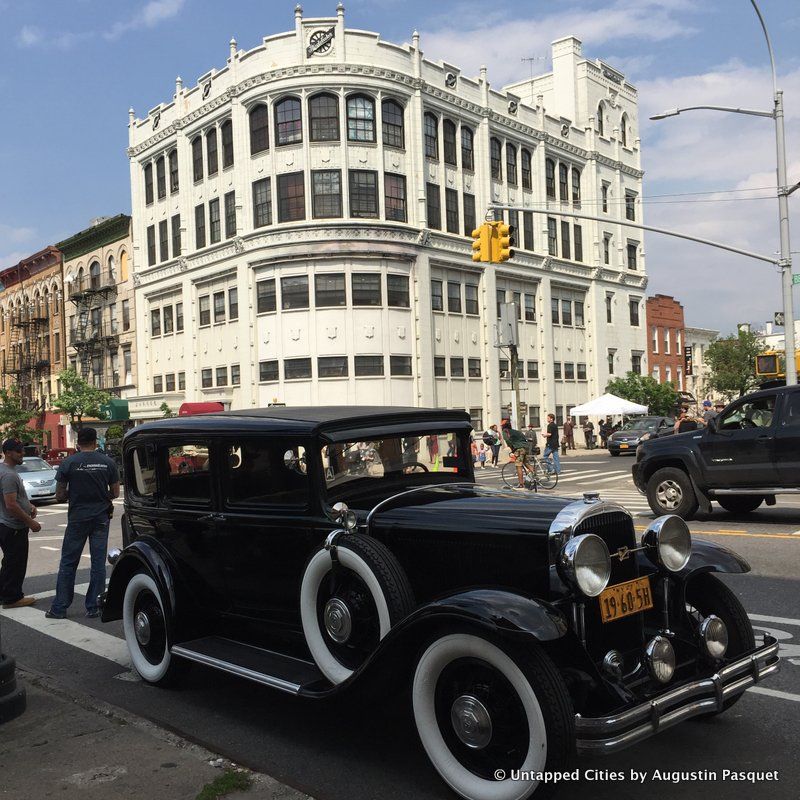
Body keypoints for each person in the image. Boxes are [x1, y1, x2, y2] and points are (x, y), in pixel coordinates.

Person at [46, 427, 120, 619]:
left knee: (68, 563)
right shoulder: (108, 462)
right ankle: (93, 606)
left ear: (78, 443)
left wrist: (76, 494)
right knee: (98, 564)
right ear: (96, 442)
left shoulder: (68, 463)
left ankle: (59, 608)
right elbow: (115, 493)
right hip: (101, 518)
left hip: (78, 518)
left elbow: (60, 495)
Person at [0, 439, 41, 609]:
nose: (22, 453)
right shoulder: (9, 475)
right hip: (13, 526)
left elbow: (15, 499)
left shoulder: (4, 470)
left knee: (9, 562)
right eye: (18, 451)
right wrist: (31, 522)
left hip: (5, 524)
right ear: (8, 453)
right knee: (15, 563)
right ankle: (12, 598)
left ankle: (4, 594)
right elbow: (11, 504)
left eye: (22, 450)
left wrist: (29, 505)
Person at [501, 420, 530, 489]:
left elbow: (507, 441)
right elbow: (524, 437)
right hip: (525, 447)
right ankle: (534, 477)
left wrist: (512, 449)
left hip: (519, 449)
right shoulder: (515, 431)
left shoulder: (505, 431)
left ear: (503, 426)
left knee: (518, 466)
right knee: (526, 463)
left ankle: (521, 484)